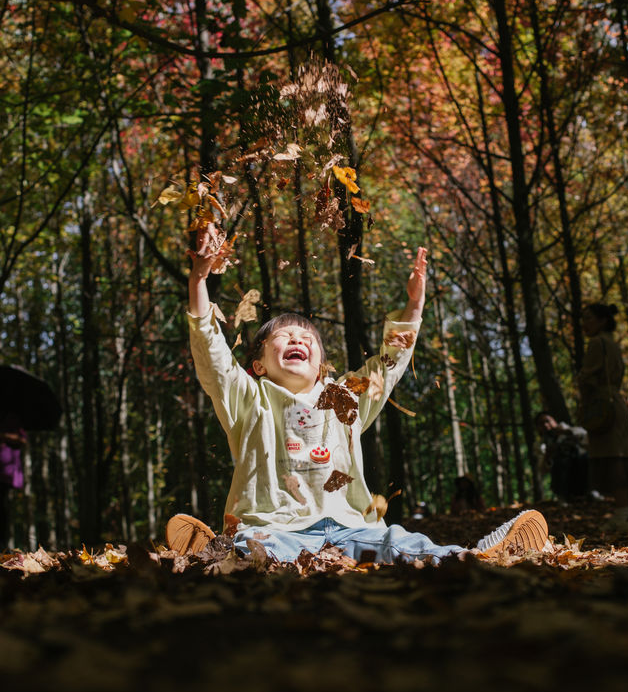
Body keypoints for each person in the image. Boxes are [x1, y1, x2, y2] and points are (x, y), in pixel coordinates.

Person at [166, 221, 549, 564]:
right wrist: (199, 278)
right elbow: (213, 356)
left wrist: (414, 306)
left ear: (321, 364)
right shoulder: (248, 399)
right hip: (274, 529)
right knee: (251, 549)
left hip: (353, 528)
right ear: (260, 364)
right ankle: (214, 553)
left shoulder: (343, 397)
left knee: (403, 543)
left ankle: (472, 557)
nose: (297, 338)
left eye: (307, 338)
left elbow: (387, 367)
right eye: (283, 336)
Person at [577, 302, 628, 528]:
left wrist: (583, 387)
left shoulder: (597, 343)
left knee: (613, 459)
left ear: (602, 320)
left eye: (588, 318)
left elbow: (588, 376)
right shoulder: (612, 344)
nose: (584, 324)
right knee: (626, 457)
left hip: (603, 406)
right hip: (618, 404)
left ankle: (623, 513)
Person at [534, 411, 589, 503]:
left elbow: (585, 436)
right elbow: (542, 469)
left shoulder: (569, 430)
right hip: (560, 471)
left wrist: (567, 433)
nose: (546, 425)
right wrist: (548, 455)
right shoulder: (540, 444)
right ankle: (564, 497)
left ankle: (588, 493)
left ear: (554, 420)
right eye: (541, 423)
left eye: (548, 421)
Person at [0, 413, 27, 551]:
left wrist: (4, 436)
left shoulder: (12, 419)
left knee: (2, 508)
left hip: (5, 474)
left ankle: (3, 545)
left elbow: (22, 440)